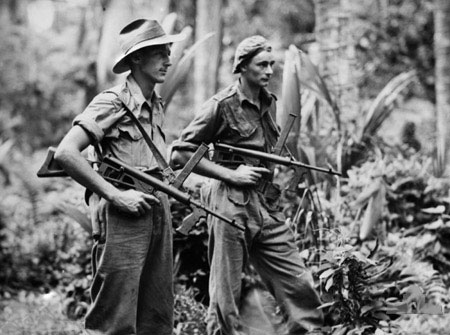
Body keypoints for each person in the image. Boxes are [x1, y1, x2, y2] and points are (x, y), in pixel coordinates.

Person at [171, 35, 324, 335]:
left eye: (271, 65)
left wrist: (288, 162)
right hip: (230, 202)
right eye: (262, 65)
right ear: (242, 66)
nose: (269, 71)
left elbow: (268, 145)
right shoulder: (221, 105)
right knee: (226, 290)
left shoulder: (268, 101)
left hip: (265, 204)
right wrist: (230, 175)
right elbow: (179, 153)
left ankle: (309, 330)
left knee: (297, 281)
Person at [54, 19, 184, 335]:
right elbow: (66, 153)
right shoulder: (111, 102)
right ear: (136, 58)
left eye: (169, 52)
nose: (168, 60)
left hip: (157, 207)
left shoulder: (156, 103)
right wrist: (114, 195)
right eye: (159, 53)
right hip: (124, 212)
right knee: (114, 317)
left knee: (156, 314)